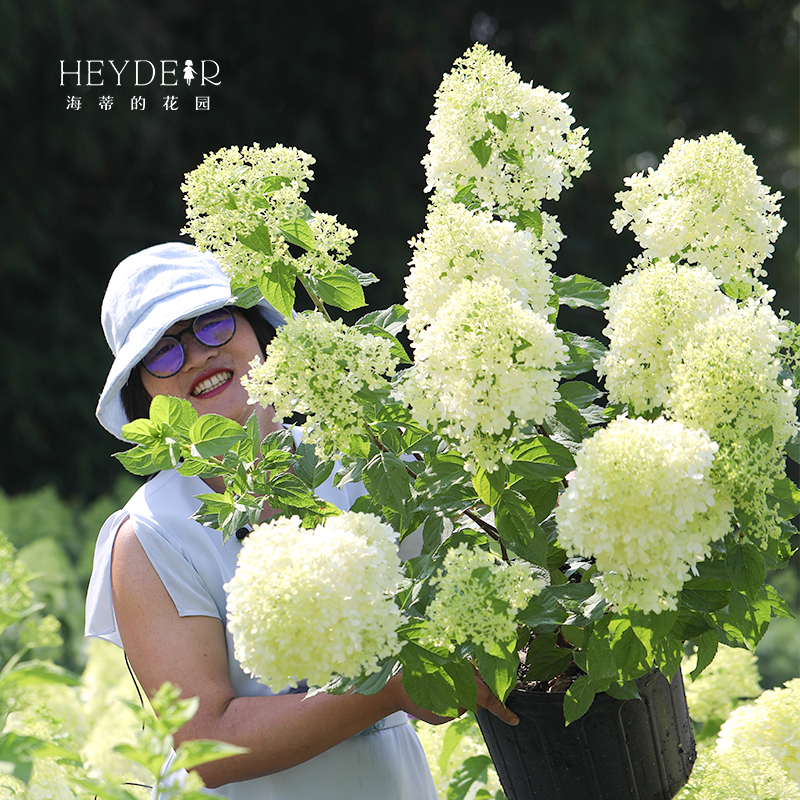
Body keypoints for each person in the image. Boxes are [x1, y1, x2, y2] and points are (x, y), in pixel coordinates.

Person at [85, 242, 518, 799]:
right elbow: (203, 746)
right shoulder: (149, 534)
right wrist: (389, 692)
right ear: (143, 390)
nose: (195, 355)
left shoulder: (365, 462)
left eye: (213, 324)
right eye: (162, 352)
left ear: (254, 331)